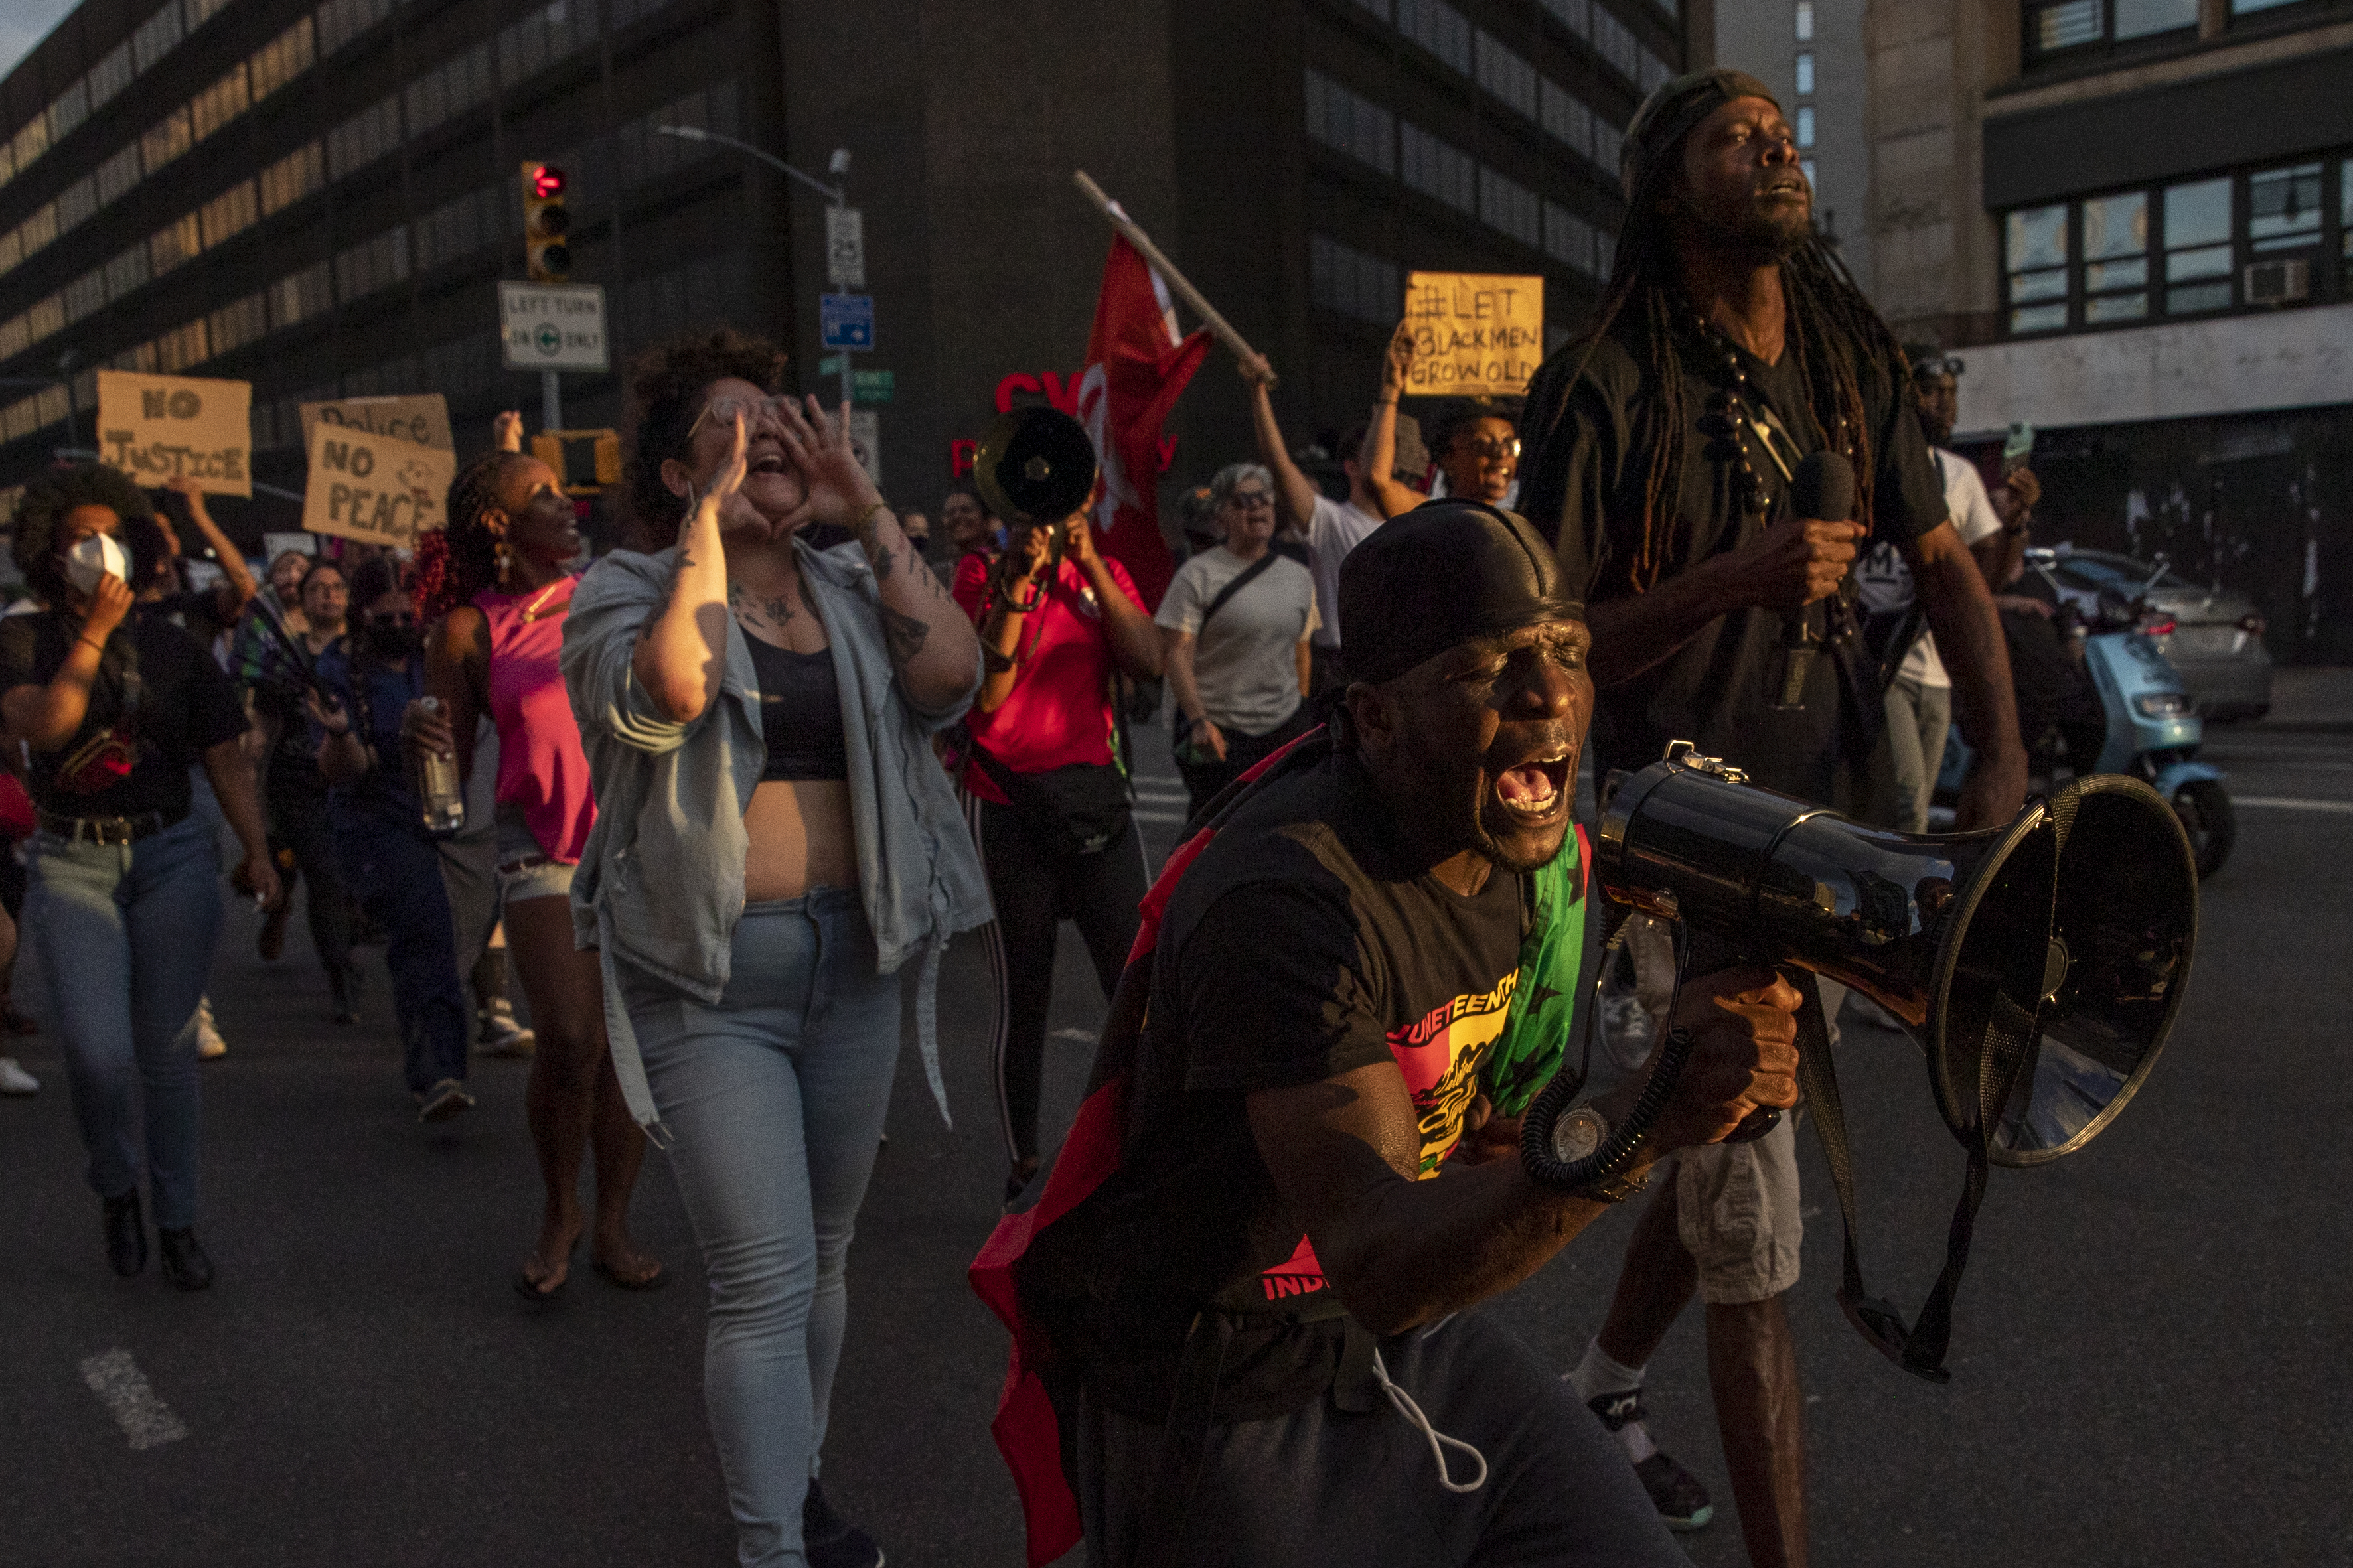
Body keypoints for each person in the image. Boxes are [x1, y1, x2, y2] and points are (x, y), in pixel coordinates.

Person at [1011, 503, 1802, 1568]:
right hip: (1229, 1380)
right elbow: (1382, 1254)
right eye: (1491, 665)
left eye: (1567, 651)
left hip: (1399, 1339)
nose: (1549, 695)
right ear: (1375, 716)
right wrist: (1649, 1115)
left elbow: (1488, 1143)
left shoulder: (1526, 848)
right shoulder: (1285, 896)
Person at [1515, 70, 2028, 1565]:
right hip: (1682, 828)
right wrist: (1728, 580)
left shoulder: (1847, 356)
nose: (1776, 150)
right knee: (1754, 1225)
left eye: (1781, 134)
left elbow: (1939, 559)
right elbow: (1542, 647)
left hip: (1837, 821)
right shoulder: (1601, 380)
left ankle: (1598, 1382)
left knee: (1729, 1137)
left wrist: (1996, 764)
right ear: (1667, 187)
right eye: (1737, 138)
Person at [563, 328, 987, 1568]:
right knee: (763, 1271)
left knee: (827, 1256)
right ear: (676, 466)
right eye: (732, 429)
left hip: (857, 959)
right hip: (710, 978)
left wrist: (865, 512)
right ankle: (772, 1551)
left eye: (785, 424)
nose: (770, 446)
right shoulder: (627, 590)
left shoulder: (851, 589)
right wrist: (707, 521)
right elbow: (673, 696)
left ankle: (797, 1488)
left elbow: (951, 679)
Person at [0, 465, 282, 1288]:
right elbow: (48, 728)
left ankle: (178, 1220)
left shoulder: (177, 647)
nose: (99, 548)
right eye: (79, 537)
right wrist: (90, 634)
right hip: (73, 861)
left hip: (171, 858)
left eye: (112, 534)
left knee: (166, 1054)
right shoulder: (22, 641)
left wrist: (256, 848)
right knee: (94, 1053)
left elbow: (224, 755)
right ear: (49, 554)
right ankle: (115, 1185)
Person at [415, 442, 663, 1298]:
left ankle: (615, 1222)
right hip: (541, 846)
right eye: (544, 494)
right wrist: (425, 752)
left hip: (637, 841)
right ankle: (561, 1209)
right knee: (568, 1036)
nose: (568, 505)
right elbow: (443, 766)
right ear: (499, 524)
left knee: (626, 1049)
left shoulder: (613, 594)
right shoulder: (467, 630)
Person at [952, 484, 1163, 1204]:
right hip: (1007, 805)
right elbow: (983, 696)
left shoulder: (1099, 575)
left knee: (1135, 988)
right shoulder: (981, 572)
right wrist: (1017, 579)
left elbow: (1146, 662)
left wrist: (1092, 565)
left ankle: (1135, 1150)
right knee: (1024, 996)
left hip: (1096, 805)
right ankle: (1025, 1162)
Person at [306, 555, 475, 1125]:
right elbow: (343, 769)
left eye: (410, 614)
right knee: (425, 935)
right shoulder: (337, 671)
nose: (401, 625)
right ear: (362, 616)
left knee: (455, 939)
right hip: (378, 824)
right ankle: (439, 1072)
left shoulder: (438, 658)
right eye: (388, 616)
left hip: (449, 817)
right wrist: (338, 736)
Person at [1853, 352, 2009, 831]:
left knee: (1910, 799)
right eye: (1931, 391)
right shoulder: (1868, 465)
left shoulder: (1959, 476)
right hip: (1878, 660)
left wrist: (2017, 525)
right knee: (1907, 797)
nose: (1944, 403)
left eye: (1951, 393)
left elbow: (1986, 577)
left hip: (1935, 670)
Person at [1243, 319, 1416, 698]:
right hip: (1343, 666)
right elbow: (1279, 465)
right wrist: (1258, 393)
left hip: (1400, 663)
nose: (1388, 465)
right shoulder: (1331, 522)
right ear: (1353, 467)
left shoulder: (1415, 520)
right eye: (1375, 456)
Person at [1155, 463, 1319, 820]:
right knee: (1215, 832)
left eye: (1265, 499)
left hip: (1282, 731)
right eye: (1246, 500)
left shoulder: (1298, 577)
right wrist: (1199, 720)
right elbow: (1177, 654)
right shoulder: (1197, 575)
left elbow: (1301, 651)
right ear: (1222, 516)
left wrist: (1300, 713)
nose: (1258, 508)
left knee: (1278, 829)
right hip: (1221, 734)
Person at [246, 560, 362, 1021]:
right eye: (318, 588)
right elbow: (264, 716)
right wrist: (253, 750)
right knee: (325, 876)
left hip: (356, 781)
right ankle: (341, 979)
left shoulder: (364, 653)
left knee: (351, 878)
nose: (328, 596)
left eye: (337, 587)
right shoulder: (287, 658)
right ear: (304, 598)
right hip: (299, 781)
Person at [941, 480, 1000, 570]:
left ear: (985, 520)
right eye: (951, 513)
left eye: (966, 510)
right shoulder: (938, 573)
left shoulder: (1000, 565)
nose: (958, 516)